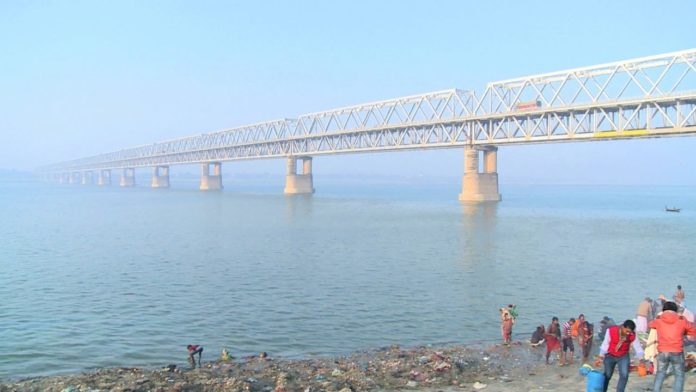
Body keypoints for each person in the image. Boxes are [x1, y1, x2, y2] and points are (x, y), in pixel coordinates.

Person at [649, 301, 696, 392]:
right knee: (679, 375)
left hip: (662, 351)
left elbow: (650, 325)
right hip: (676, 351)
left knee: (660, 374)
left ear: (663, 310)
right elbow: (693, 330)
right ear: (675, 310)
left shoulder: (659, 320)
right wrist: (684, 333)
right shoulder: (681, 320)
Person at [598, 320, 644, 392]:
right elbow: (605, 344)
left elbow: (637, 347)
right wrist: (601, 356)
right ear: (623, 327)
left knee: (624, 375)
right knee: (607, 375)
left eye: (630, 332)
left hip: (623, 356)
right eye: (627, 331)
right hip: (610, 355)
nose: (628, 333)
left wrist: (641, 359)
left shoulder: (632, 335)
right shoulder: (611, 331)